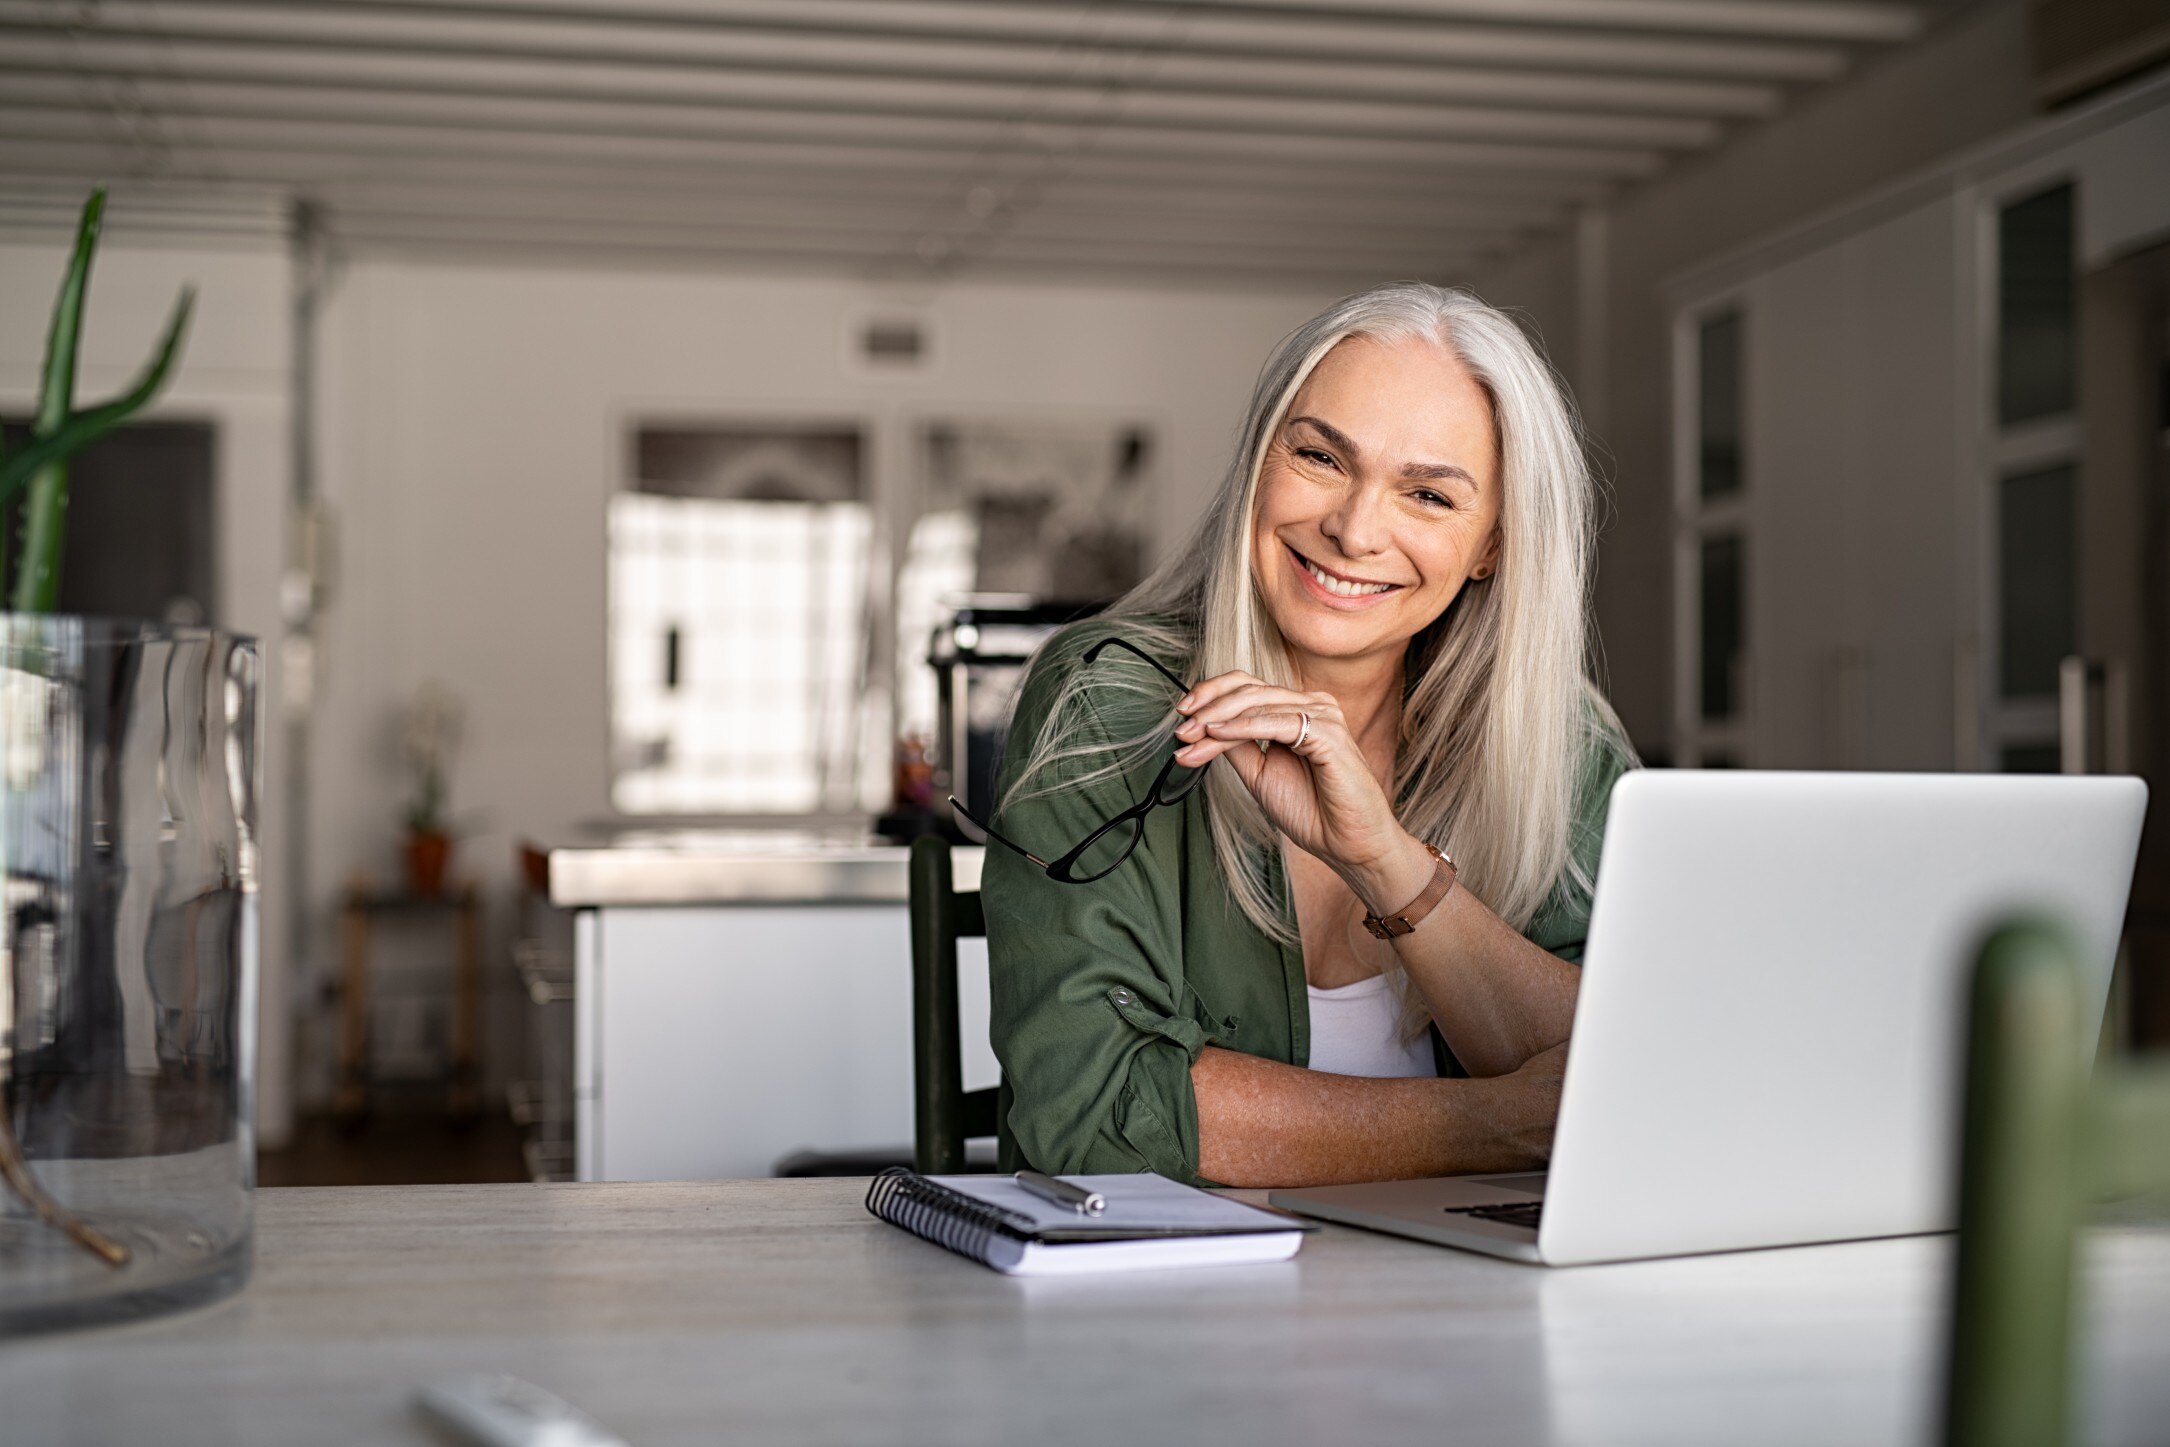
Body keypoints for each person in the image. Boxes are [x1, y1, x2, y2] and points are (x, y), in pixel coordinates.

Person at [972, 282, 1636, 1188]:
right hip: (1159, 1308)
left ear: (1493, 545)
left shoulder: (1559, 743)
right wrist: (1495, 1123)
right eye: (1322, 456)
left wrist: (1387, 863)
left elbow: (1640, 1085)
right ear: (1259, 461)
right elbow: (1092, 1116)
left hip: (1478, 1306)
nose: (1355, 529)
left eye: (1430, 496)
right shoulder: (1110, 698)